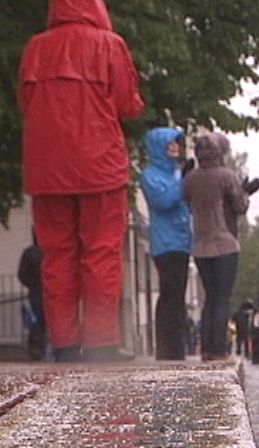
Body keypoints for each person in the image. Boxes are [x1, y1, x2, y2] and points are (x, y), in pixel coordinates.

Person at [18, 0, 145, 362]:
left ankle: (65, 345)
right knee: (100, 252)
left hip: (47, 169)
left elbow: (26, 103)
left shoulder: (35, 48)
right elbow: (128, 104)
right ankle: (102, 343)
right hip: (99, 164)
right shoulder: (108, 44)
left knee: (56, 257)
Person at [184, 133, 249, 361]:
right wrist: (246, 192)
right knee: (222, 298)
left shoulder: (191, 179)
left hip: (201, 246)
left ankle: (206, 348)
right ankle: (219, 349)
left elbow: (185, 200)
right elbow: (239, 206)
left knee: (209, 298)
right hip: (224, 244)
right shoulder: (226, 176)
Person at [139, 127, 192, 360]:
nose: (175, 148)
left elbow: (185, 205)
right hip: (165, 242)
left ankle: (176, 348)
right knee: (169, 295)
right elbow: (164, 201)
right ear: (160, 147)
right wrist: (183, 183)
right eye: (171, 144)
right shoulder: (150, 175)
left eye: (177, 144)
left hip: (181, 241)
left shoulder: (176, 174)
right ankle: (167, 348)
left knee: (178, 297)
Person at [18, 232, 46, 361]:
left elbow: (22, 275)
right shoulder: (52, 251)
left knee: (36, 322)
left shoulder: (29, 253)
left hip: (35, 293)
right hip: (53, 292)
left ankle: (37, 350)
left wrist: (32, 284)